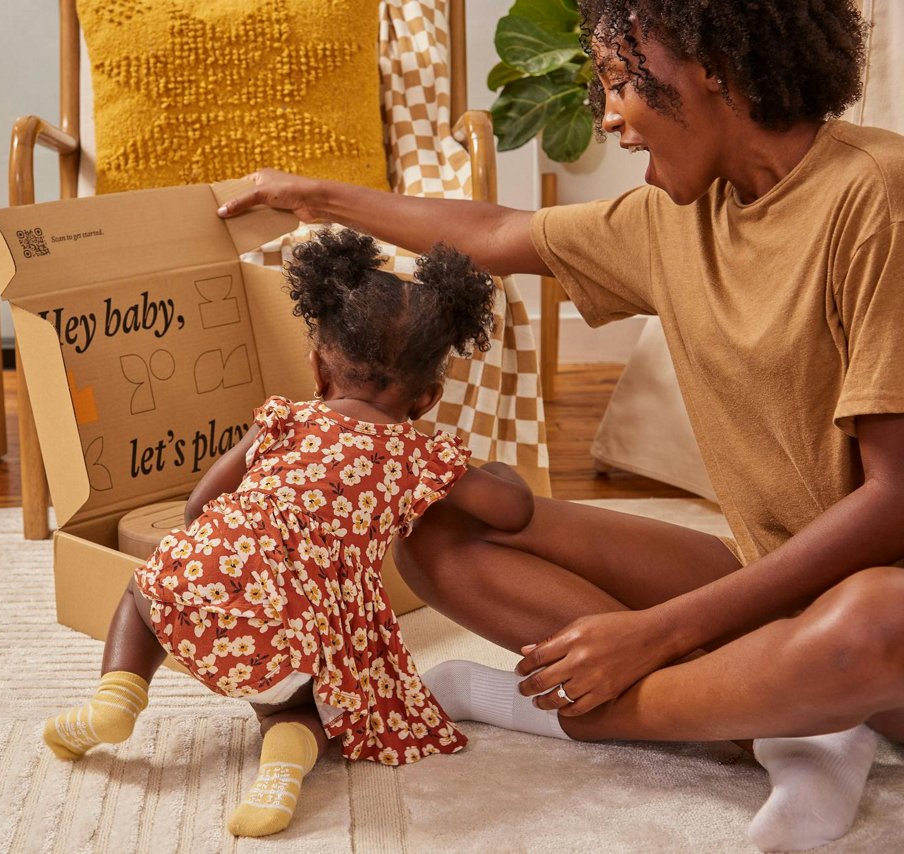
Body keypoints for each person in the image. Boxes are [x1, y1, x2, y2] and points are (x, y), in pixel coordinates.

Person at [217, 1, 904, 850]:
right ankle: (787, 718)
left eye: (620, 81)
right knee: (441, 524)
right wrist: (314, 194)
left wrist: (655, 634)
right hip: (779, 585)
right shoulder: (677, 214)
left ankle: (640, 713)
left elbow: (894, 501)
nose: (609, 115)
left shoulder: (874, 195)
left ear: (712, 62)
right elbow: (497, 233)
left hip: (880, 610)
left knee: (882, 615)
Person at [42, 228, 537, 837]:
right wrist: (494, 470)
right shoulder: (422, 455)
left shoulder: (286, 419)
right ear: (429, 397)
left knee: (144, 592)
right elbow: (512, 511)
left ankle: (116, 699)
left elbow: (200, 506)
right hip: (310, 619)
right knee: (301, 701)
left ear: (318, 367)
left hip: (224, 570)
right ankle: (283, 763)